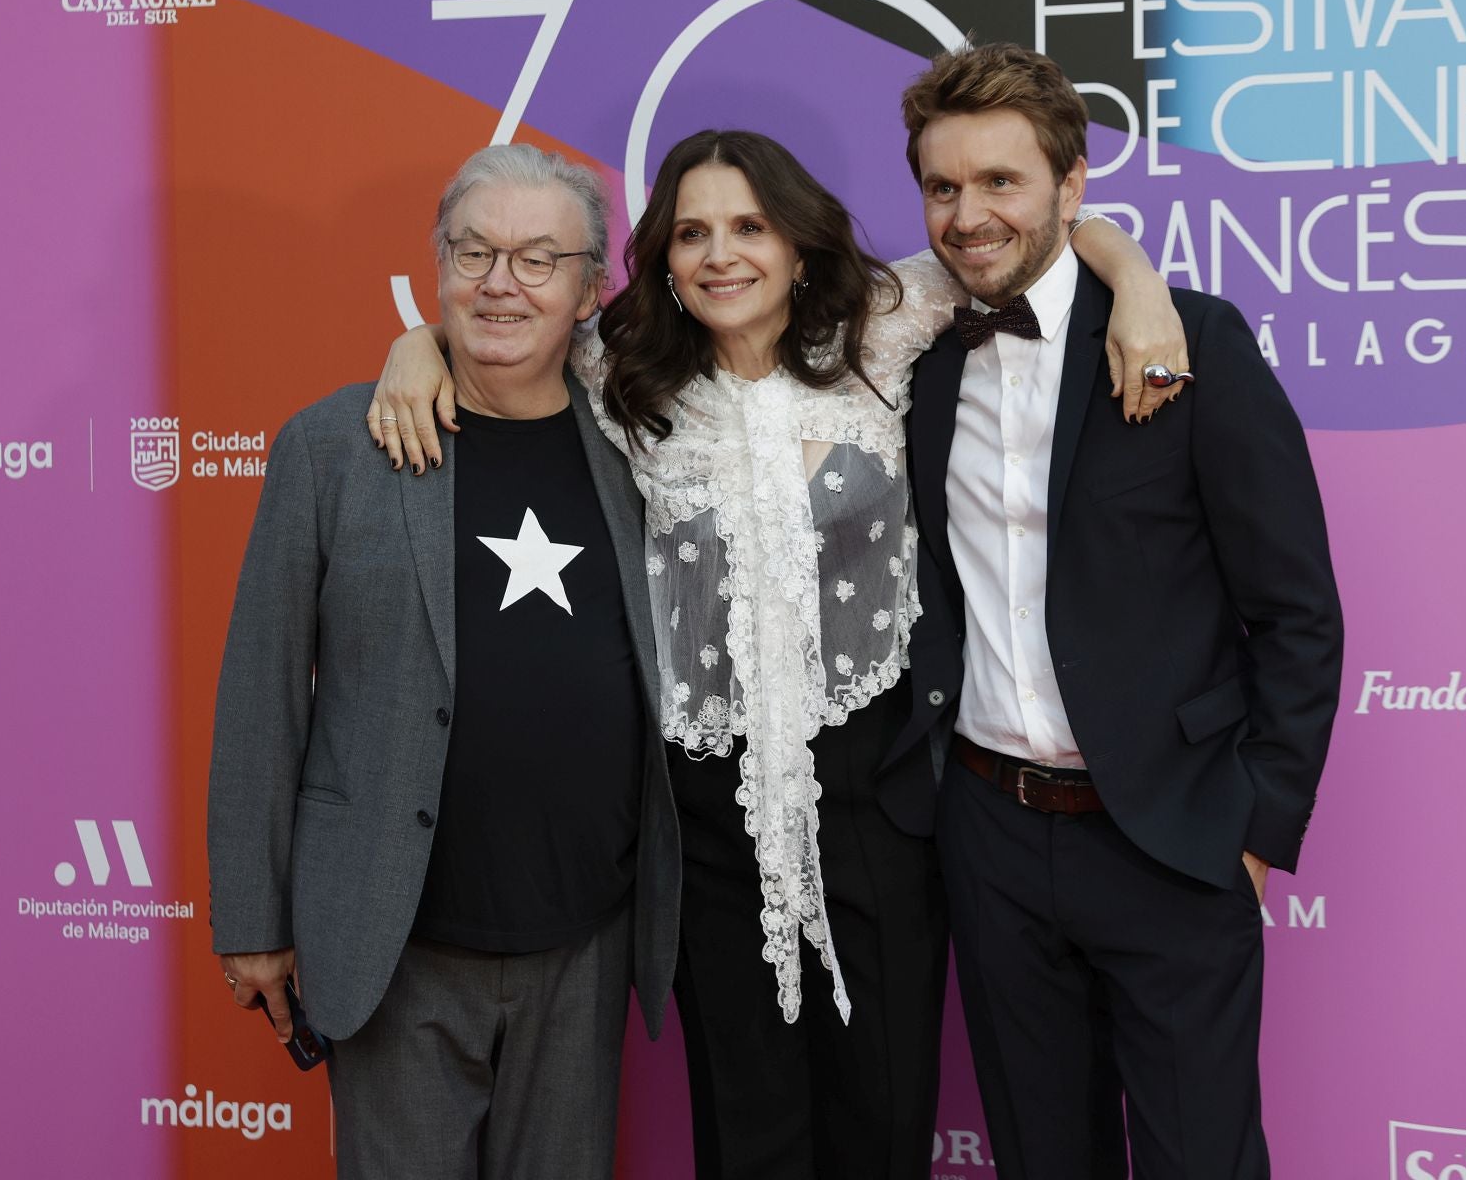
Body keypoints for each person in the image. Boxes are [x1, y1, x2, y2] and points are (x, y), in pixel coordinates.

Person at [368, 128, 1186, 1179]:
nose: (721, 254)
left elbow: (1025, 249)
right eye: (694, 231)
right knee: (746, 1133)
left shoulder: (883, 333)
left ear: (799, 244)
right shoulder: (624, 374)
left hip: (880, 805)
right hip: (707, 819)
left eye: (750, 226)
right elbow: (499, 332)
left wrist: (1137, 280)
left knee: (881, 1125)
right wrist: (414, 348)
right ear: (662, 255)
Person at [885, 41, 1345, 1179]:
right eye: (944, 185)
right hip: (990, 831)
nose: (969, 213)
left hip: (1173, 837)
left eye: (1002, 181)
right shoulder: (914, 356)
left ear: (1072, 185)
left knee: (1202, 1160)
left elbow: (1297, 611)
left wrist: (1254, 830)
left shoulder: (1187, 342)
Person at [207, 143, 680, 1180]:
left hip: (586, 943)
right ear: (437, 268)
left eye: (537, 258)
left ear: (590, 288)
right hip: (396, 944)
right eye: (475, 251)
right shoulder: (333, 447)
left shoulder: (644, 446)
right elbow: (261, 690)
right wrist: (251, 914)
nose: (500, 281)